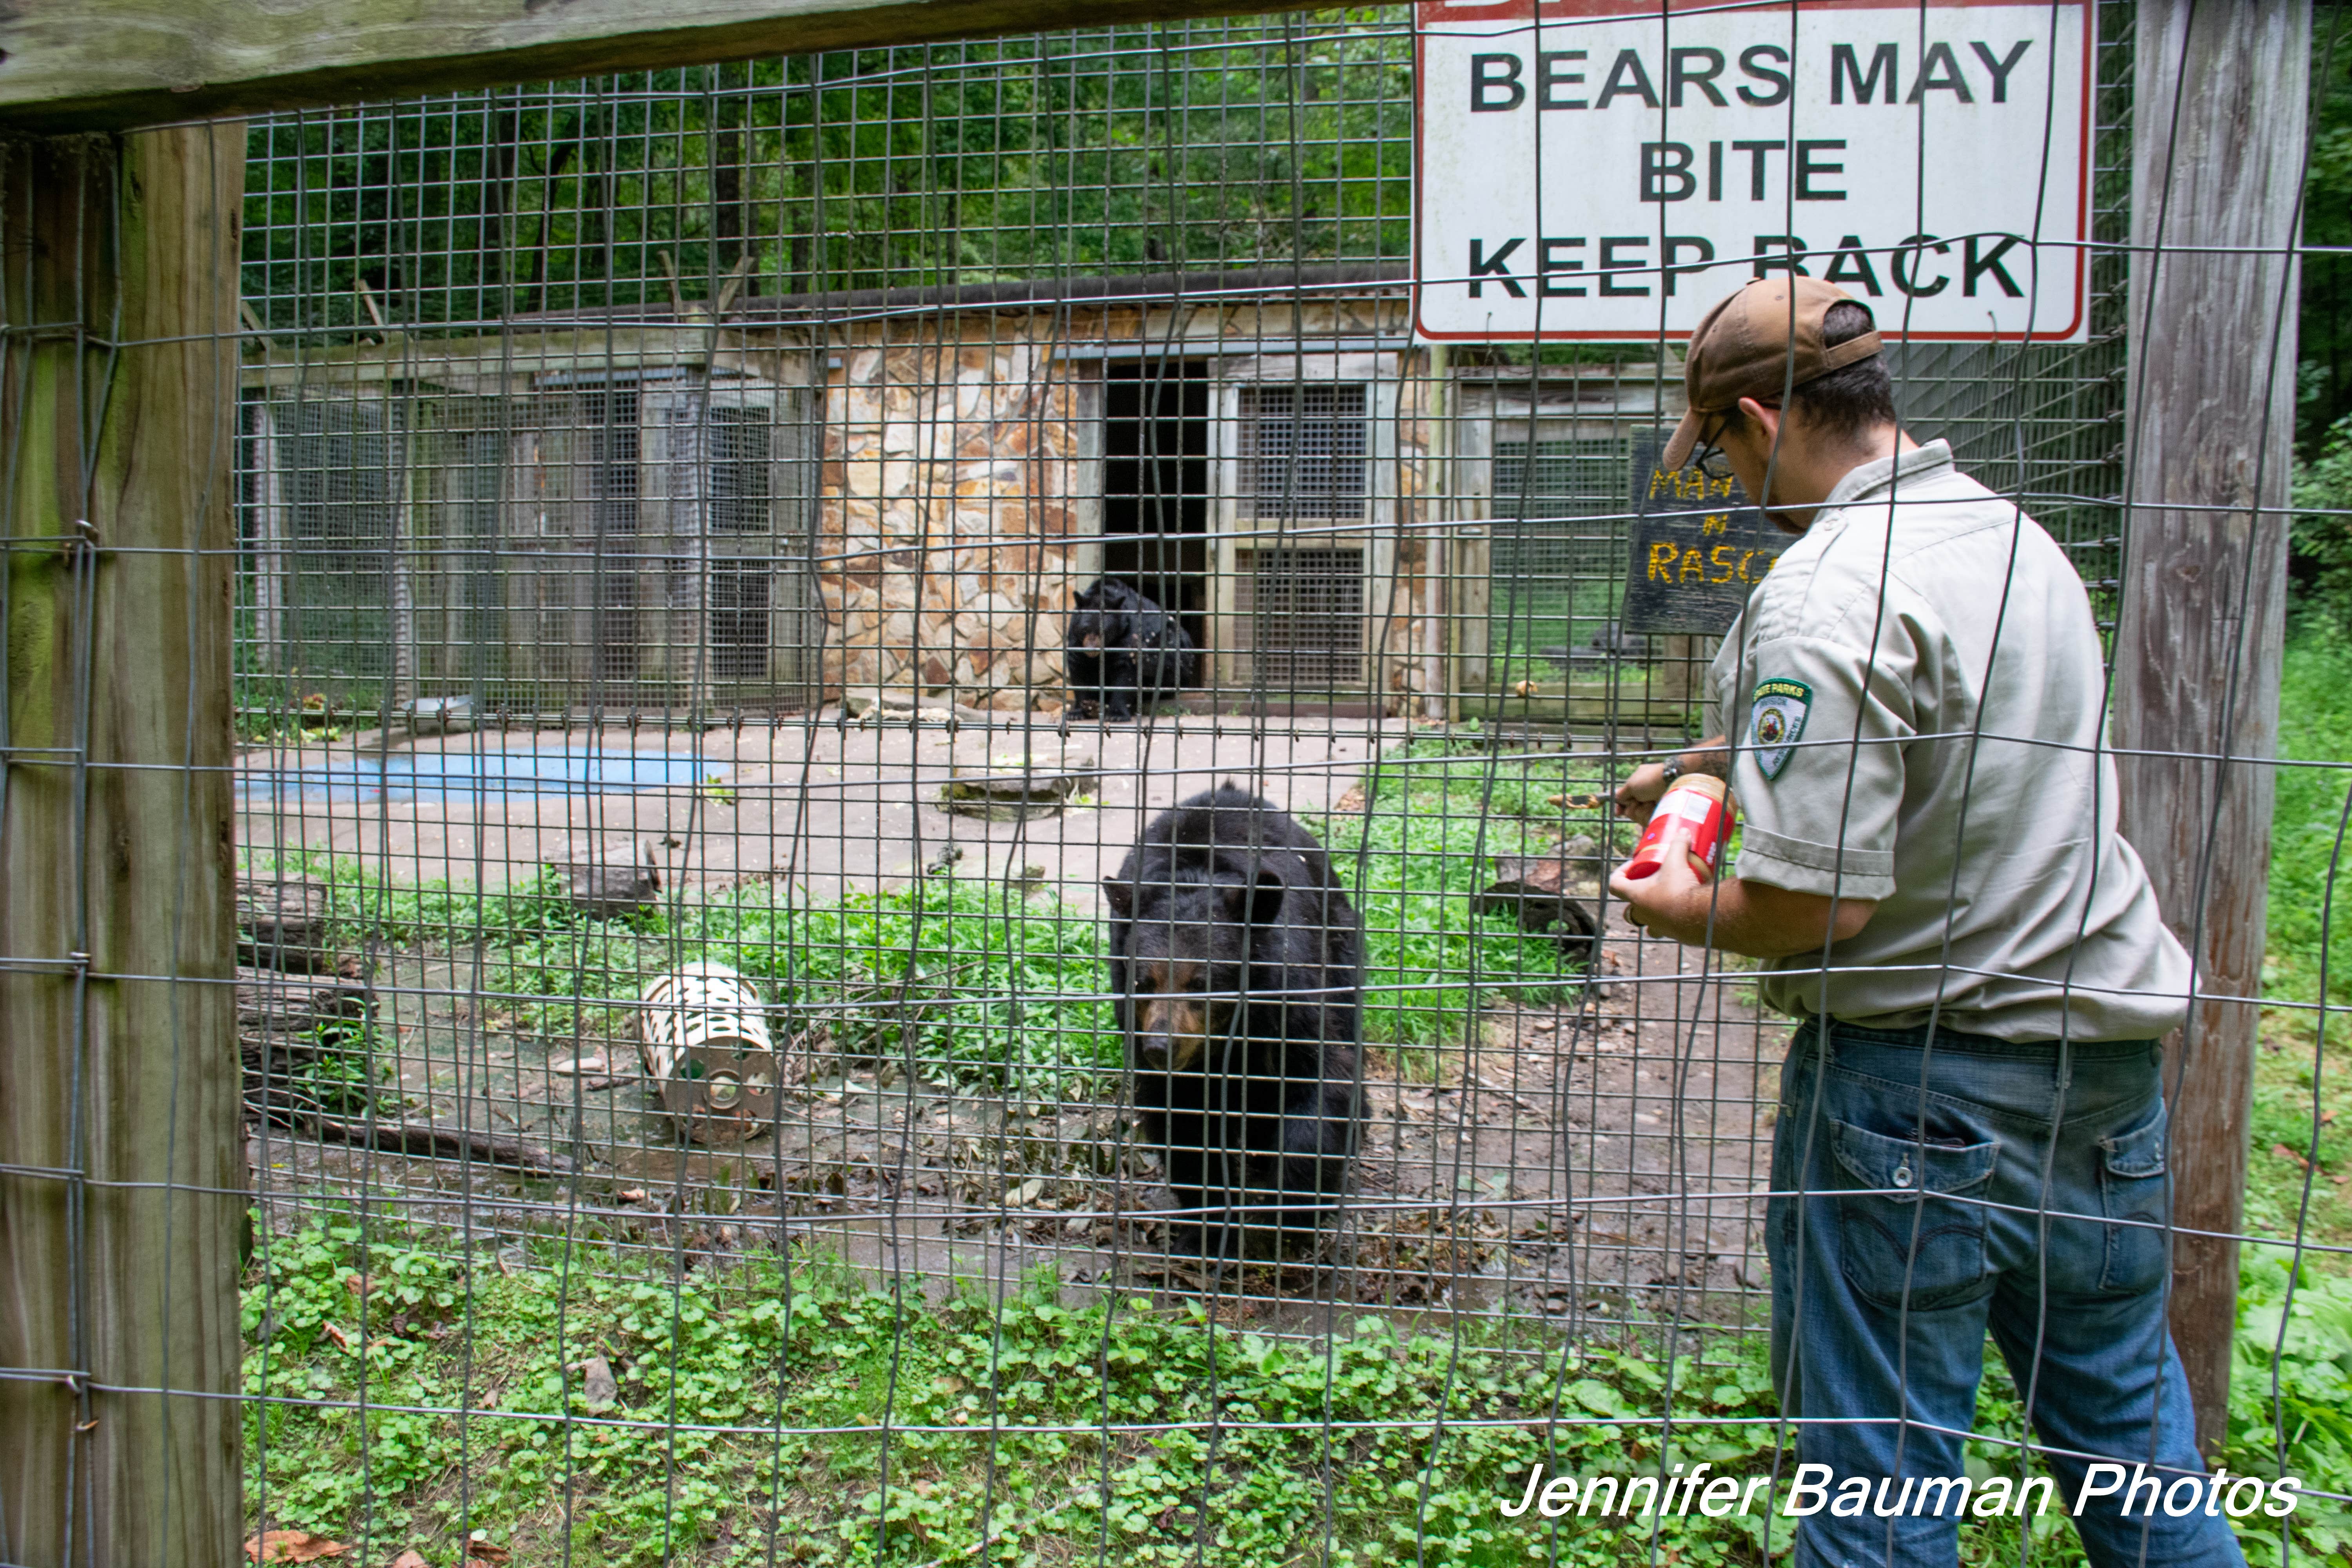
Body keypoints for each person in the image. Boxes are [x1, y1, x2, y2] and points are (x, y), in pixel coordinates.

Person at [1608, 276, 2239, 1568]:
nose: (1728, 484)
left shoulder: (1823, 587)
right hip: (2102, 1087)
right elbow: (1956, 745)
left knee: (1879, 1496)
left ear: (1753, 419)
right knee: (2134, 1451)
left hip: (1917, 1098)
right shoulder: (2017, 541)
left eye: (1720, 453)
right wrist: (1732, 761)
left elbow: (1815, 897)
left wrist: (1679, 907)